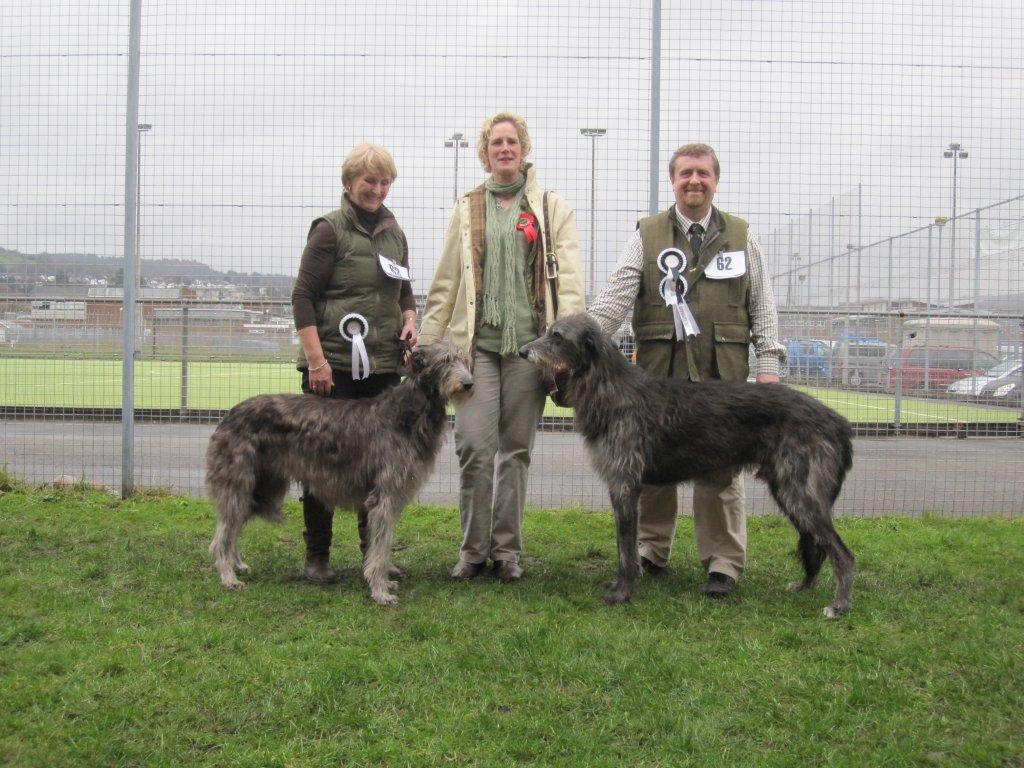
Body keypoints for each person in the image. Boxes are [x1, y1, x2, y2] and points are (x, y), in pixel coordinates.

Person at [589, 143, 786, 597]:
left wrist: (769, 365)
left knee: (721, 471)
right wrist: (582, 335)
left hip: (722, 370)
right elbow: (618, 295)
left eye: (702, 173)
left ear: (716, 179)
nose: (694, 181)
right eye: (685, 174)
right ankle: (649, 551)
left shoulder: (741, 234)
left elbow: (763, 303)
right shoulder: (647, 233)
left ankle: (723, 562)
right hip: (659, 372)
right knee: (650, 468)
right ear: (673, 181)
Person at [419, 112, 585, 582]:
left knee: (516, 450)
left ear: (524, 148)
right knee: (473, 445)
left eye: (513, 141)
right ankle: (472, 551)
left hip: (531, 352)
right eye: (496, 142)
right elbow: (446, 282)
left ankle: (506, 552)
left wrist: (566, 346)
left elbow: (569, 283)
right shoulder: (467, 207)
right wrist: (430, 345)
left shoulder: (552, 207)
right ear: (485, 151)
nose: (505, 149)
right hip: (479, 351)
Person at [291, 143, 417, 583]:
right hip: (334, 367)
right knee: (320, 463)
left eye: (384, 182)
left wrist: (410, 317)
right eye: (369, 181)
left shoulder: (393, 232)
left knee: (377, 467)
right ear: (349, 183)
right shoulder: (328, 230)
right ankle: (318, 556)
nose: (377, 189)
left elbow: (403, 290)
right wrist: (316, 362)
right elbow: (302, 297)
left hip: (382, 366)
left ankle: (373, 555)